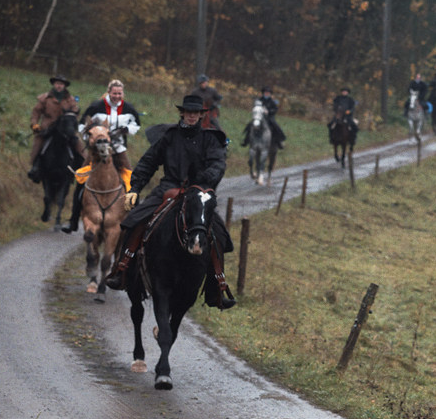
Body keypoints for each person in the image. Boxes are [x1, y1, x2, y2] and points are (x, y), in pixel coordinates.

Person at [103, 95, 236, 310]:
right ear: (182, 113)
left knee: (219, 233)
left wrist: (201, 181)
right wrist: (135, 188)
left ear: (202, 115)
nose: (192, 116)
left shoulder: (211, 139)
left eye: (196, 113)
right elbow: (148, 162)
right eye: (188, 112)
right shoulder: (169, 136)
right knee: (135, 219)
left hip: (199, 190)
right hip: (168, 188)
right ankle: (122, 268)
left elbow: (218, 166)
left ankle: (217, 287)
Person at [63, 79, 142, 233]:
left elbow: (136, 124)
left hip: (118, 148)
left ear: (122, 94)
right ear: (109, 92)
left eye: (119, 93)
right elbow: (81, 126)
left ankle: (135, 218)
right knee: (82, 177)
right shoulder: (96, 106)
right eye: (114, 93)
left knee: (132, 180)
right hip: (96, 150)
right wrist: (92, 136)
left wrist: (126, 130)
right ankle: (73, 220)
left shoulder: (128, 108)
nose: (117, 96)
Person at [27, 73, 81, 183]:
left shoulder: (71, 100)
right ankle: (35, 168)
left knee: (78, 144)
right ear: (54, 84)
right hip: (48, 127)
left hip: (65, 129)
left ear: (64, 86)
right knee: (38, 143)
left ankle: (82, 169)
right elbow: (36, 112)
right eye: (57, 83)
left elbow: (75, 113)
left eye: (61, 84)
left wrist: (72, 121)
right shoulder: (45, 98)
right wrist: (34, 124)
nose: (59, 86)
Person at [242, 85, 285, 150]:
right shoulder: (259, 100)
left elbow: (275, 109)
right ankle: (246, 140)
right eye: (265, 92)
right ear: (263, 93)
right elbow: (255, 107)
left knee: (276, 126)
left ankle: (279, 141)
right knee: (250, 125)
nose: (267, 94)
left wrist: (268, 111)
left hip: (269, 118)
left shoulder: (272, 101)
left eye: (268, 93)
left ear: (270, 94)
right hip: (259, 117)